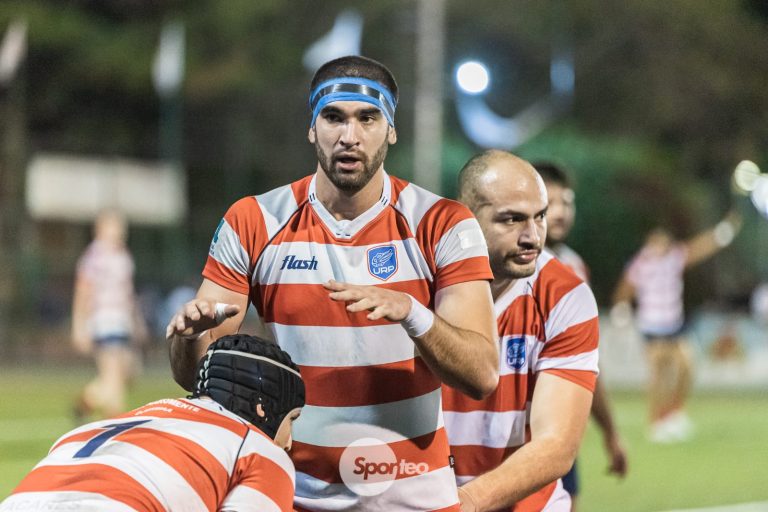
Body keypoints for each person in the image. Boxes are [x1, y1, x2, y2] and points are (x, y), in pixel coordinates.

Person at [166, 55, 499, 511]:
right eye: (333, 117)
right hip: (294, 495)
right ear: (312, 128)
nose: (349, 136)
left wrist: (413, 314)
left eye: (368, 118)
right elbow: (197, 376)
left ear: (391, 129)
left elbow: (481, 374)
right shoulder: (255, 221)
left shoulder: (442, 224)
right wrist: (188, 339)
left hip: (415, 499)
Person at [442, 150, 599, 512]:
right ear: (463, 218)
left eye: (539, 217)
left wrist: (459, 505)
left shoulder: (565, 296)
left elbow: (556, 445)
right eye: (511, 220)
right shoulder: (415, 281)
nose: (532, 236)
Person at [1, 334, 305, 512]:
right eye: (292, 419)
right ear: (264, 409)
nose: (290, 441)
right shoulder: (258, 448)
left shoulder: (103, 426)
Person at [534, 161, 628, 507]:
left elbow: (586, 362)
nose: (559, 213)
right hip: (508, 427)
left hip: (557, 425)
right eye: (549, 203)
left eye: (566, 203)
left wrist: (610, 432)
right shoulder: (505, 264)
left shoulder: (574, 268)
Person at [612, 209, 741, 442]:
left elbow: (699, 248)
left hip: (673, 324)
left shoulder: (673, 259)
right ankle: (655, 423)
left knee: (687, 366)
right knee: (658, 376)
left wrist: (723, 232)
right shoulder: (641, 263)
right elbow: (625, 288)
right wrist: (620, 310)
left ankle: (673, 412)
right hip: (651, 326)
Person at [71, 209, 148, 420]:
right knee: (113, 375)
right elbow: (83, 291)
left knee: (129, 371)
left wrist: (137, 321)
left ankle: (88, 400)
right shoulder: (94, 256)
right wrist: (79, 326)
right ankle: (115, 425)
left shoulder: (123, 256)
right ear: (100, 229)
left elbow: (128, 293)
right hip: (104, 321)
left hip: (122, 321)